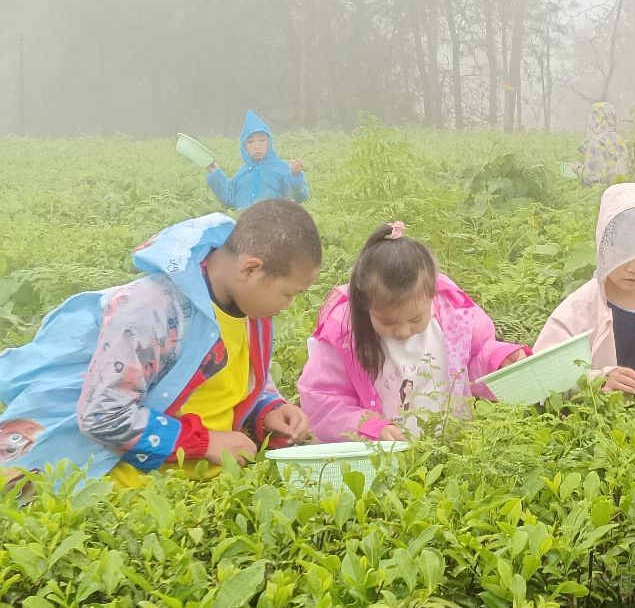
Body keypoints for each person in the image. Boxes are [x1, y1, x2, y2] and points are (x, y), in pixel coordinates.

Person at [0, 199, 321, 490]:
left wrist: (270, 409)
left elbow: (243, 376)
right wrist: (204, 442)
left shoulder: (253, 311)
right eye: (289, 294)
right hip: (122, 493)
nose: (289, 305)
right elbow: (103, 414)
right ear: (251, 268)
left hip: (210, 489)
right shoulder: (151, 311)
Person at [297, 222, 529, 443]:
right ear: (366, 303)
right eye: (387, 321)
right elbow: (322, 401)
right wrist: (370, 427)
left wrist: (499, 360)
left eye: (416, 319)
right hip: (385, 460)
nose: (403, 331)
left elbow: (474, 359)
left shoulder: (454, 317)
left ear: (433, 295)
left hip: (451, 449)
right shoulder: (345, 334)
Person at [534, 183, 635, 394]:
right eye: (623, 252)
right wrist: (596, 382)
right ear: (603, 246)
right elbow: (540, 372)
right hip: (598, 423)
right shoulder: (578, 310)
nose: (634, 268)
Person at [206, 110, 310, 209]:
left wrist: (295, 177)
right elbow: (229, 199)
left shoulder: (283, 168)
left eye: (261, 140)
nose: (257, 146)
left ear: (269, 142)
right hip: (244, 223)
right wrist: (216, 174)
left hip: (274, 222)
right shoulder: (243, 172)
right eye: (250, 142)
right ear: (244, 146)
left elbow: (300, 198)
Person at [575, 102, 633, 186]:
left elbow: (592, 179)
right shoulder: (620, 139)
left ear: (594, 118)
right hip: (621, 191)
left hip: (605, 194)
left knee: (565, 169)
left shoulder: (596, 142)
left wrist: (577, 170)